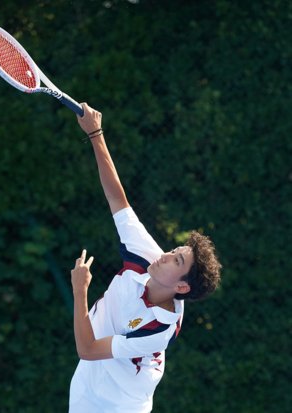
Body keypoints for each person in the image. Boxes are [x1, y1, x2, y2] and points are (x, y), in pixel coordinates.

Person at [69, 103, 222, 413]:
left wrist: (80, 290)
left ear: (181, 287)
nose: (166, 256)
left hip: (120, 404)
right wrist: (96, 134)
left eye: (176, 262)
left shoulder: (159, 329)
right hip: (89, 378)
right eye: (175, 251)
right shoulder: (147, 256)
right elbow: (117, 198)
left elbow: (86, 349)